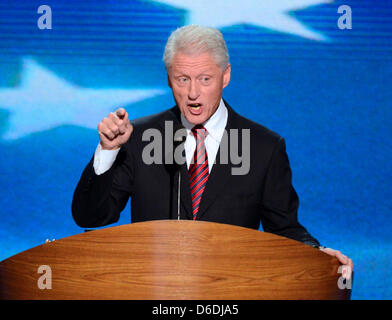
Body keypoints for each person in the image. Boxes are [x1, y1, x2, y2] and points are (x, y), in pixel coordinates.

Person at [72, 25, 353, 279]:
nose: (193, 93)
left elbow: (284, 229)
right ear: (169, 79)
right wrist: (108, 151)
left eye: (205, 79)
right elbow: (91, 217)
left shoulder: (264, 147)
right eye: (182, 79)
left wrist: (315, 251)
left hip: (229, 295)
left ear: (226, 75)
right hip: (154, 292)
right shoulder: (139, 138)